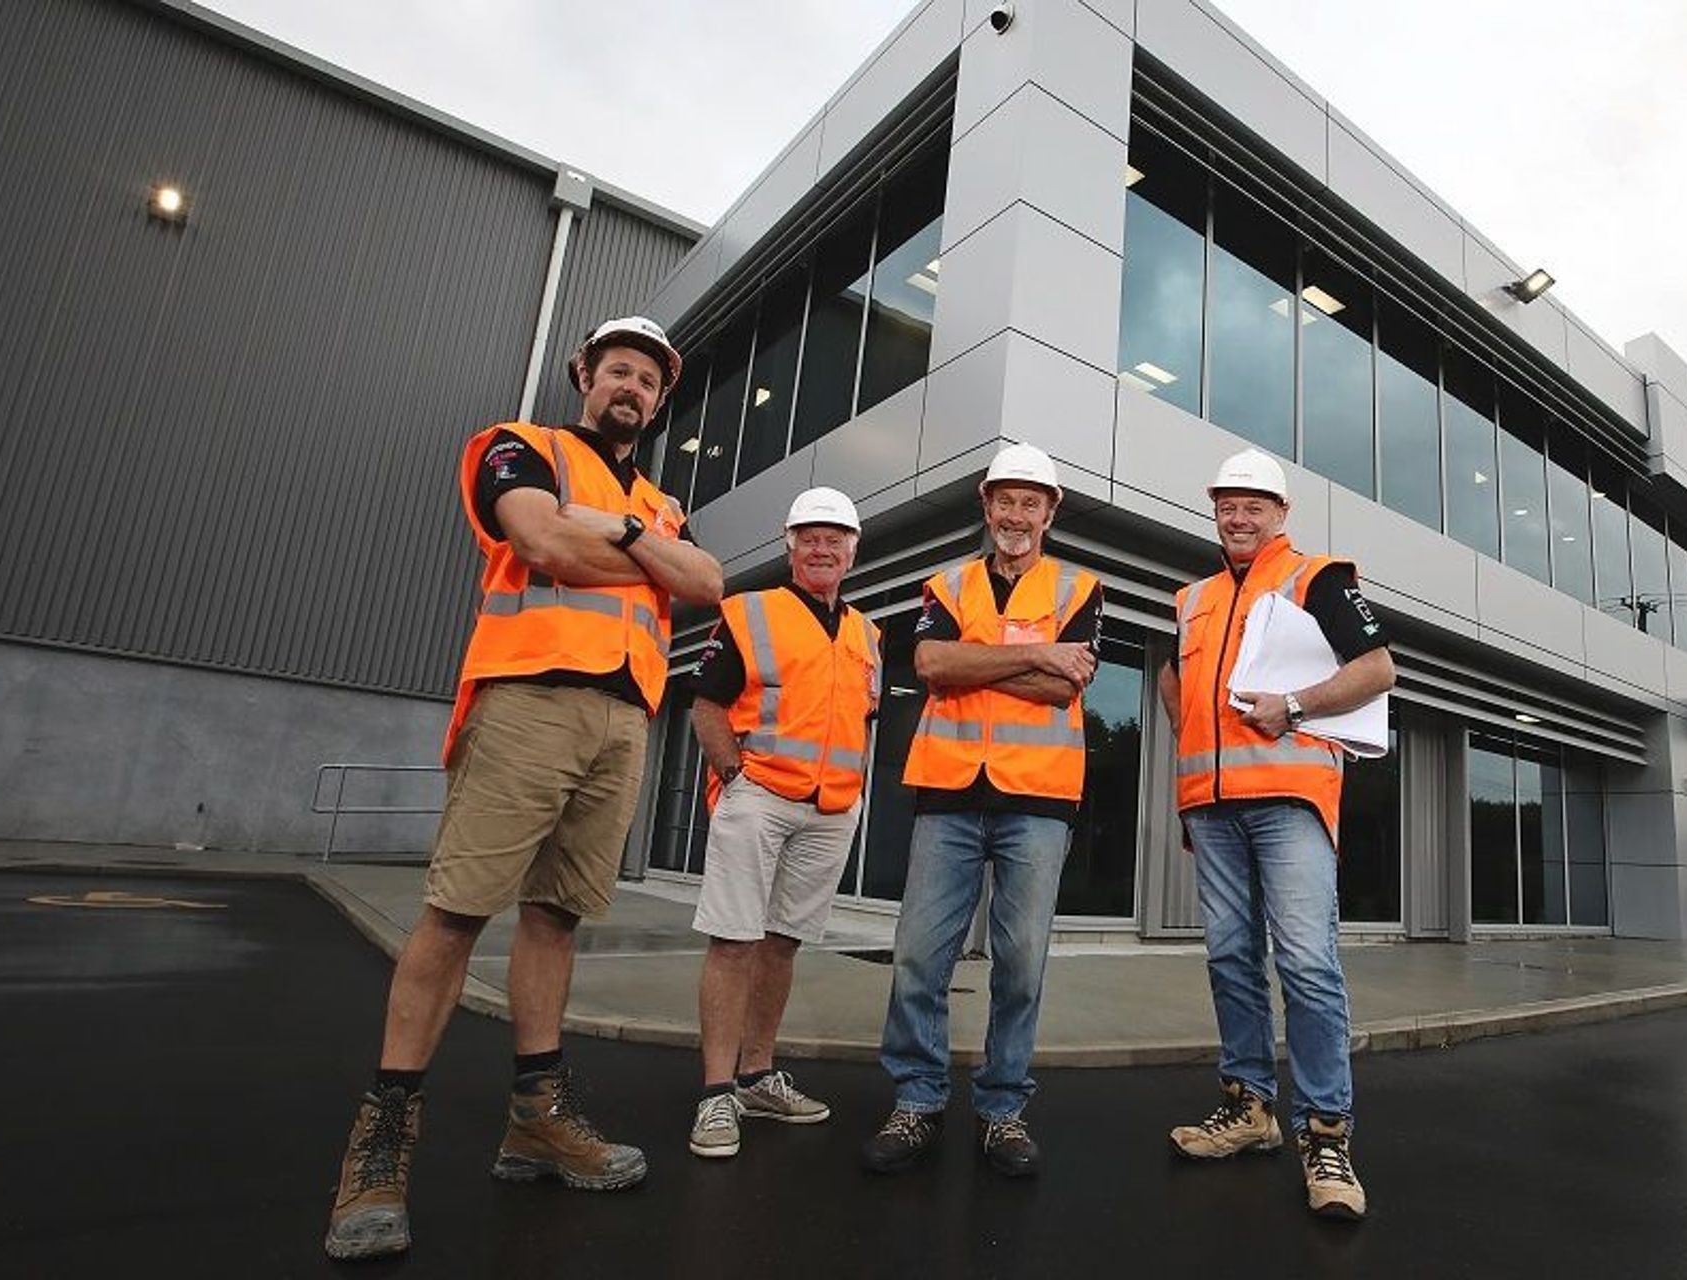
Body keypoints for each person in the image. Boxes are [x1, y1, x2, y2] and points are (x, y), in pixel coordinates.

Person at [323, 316, 724, 1261]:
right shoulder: (521, 449)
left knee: (556, 917)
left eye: (648, 381)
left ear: (660, 402)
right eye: (618, 370)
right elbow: (542, 544)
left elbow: (706, 581)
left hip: (625, 718)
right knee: (457, 913)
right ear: (585, 374)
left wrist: (623, 529)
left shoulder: (658, 501)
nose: (632, 388)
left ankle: (537, 1117)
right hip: (530, 701)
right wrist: (644, 561)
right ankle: (378, 1149)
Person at [1157, 446, 1394, 1222]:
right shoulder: (1190, 598)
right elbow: (1173, 680)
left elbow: (1378, 670)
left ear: (1280, 514)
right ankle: (1248, 1108)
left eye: (1255, 505)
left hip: (1289, 796)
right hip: (1212, 803)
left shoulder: (1316, 578)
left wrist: (1291, 708)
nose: (1239, 515)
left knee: (1305, 961)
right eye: (1227, 503)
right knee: (1229, 957)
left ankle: (1326, 1133)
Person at [860, 442, 1103, 1179]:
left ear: (1050, 511)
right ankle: (918, 1099)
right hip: (949, 793)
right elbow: (931, 667)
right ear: (986, 504)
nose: (1017, 514)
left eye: (1032, 501)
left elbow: (1065, 689)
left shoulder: (1078, 587)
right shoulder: (948, 583)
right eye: (1006, 499)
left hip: (1038, 799)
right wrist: (1032, 658)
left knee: (1021, 965)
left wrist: (981, 662)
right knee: (918, 959)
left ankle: (1001, 1111)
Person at [684, 487, 880, 1159]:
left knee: (782, 943)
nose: (822, 548)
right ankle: (715, 1096)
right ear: (790, 545)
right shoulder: (749, 612)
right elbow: (706, 705)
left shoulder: (867, 634)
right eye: (810, 537)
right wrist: (736, 774)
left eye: (835, 538)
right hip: (759, 798)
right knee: (733, 942)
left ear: (853, 550)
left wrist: (849, 795)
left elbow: (862, 719)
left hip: (829, 811)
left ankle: (757, 1076)